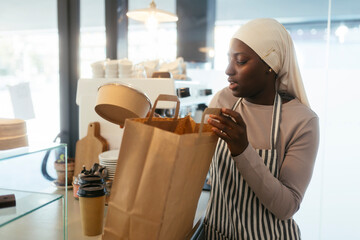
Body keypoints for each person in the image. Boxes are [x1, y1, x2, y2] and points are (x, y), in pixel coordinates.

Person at [204, 18, 319, 239]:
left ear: (270, 65)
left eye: (241, 61)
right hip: (217, 233)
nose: (228, 70)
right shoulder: (223, 100)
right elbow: (198, 159)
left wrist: (243, 150)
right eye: (229, 59)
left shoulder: (303, 122)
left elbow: (287, 207)